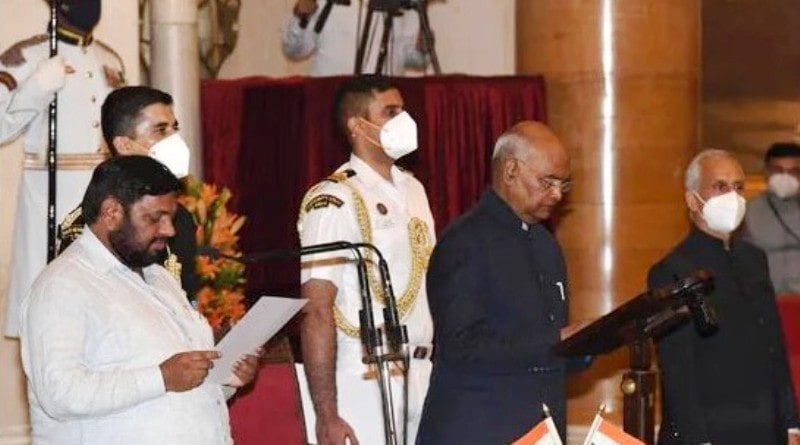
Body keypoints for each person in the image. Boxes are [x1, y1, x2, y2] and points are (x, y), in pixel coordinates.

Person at [19, 155, 259, 444]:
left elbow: (179, 391)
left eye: (170, 216)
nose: (169, 230)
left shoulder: (161, 279)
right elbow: (59, 393)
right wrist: (161, 377)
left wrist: (224, 377)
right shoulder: (63, 286)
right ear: (112, 213)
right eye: (154, 218)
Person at [417, 121, 582, 443]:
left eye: (564, 183)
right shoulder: (464, 241)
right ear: (510, 170)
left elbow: (546, 348)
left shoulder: (547, 246)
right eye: (547, 181)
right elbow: (462, 345)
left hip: (539, 428)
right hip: (479, 429)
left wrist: (588, 343)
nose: (557, 194)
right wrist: (556, 340)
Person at [296, 75, 436, 444]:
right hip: (364, 376)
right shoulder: (333, 197)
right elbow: (317, 308)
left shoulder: (414, 188)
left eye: (404, 110)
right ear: (358, 125)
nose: (404, 121)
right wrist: (327, 414)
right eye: (391, 112)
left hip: (422, 371)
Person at [649, 149, 800, 445]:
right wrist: (697, 438)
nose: (732, 196)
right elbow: (678, 368)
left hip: (764, 426)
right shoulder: (671, 269)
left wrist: (791, 423)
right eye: (720, 187)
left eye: (738, 187)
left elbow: (774, 345)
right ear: (693, 200)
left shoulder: (754, 258)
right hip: (712, 429)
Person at [1, 0, 125, 337]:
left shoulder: (109, 59)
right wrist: (37, 89)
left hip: (105, 208)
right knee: (49, 326)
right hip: (49, 212)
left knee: (105, 321)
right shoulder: (27, 57)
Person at [56, 86, 199, 302]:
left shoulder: (182, 218)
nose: (174, 140)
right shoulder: (93, 223)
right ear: (124, 145)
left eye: (174, 129)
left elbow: (187, 298)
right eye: (160, 130)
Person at [282, 0, 429, 76]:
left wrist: (422, 48)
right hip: (331, 99)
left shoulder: (404, 3)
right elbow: (294, 50)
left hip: (383, 104)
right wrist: (301, 15)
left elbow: (414, 58)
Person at [741, 142, 800, 295]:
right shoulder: (747, 211)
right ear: (767, 172)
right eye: (778, 170)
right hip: (765, 299)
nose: (785, 177)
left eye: (793, 171)